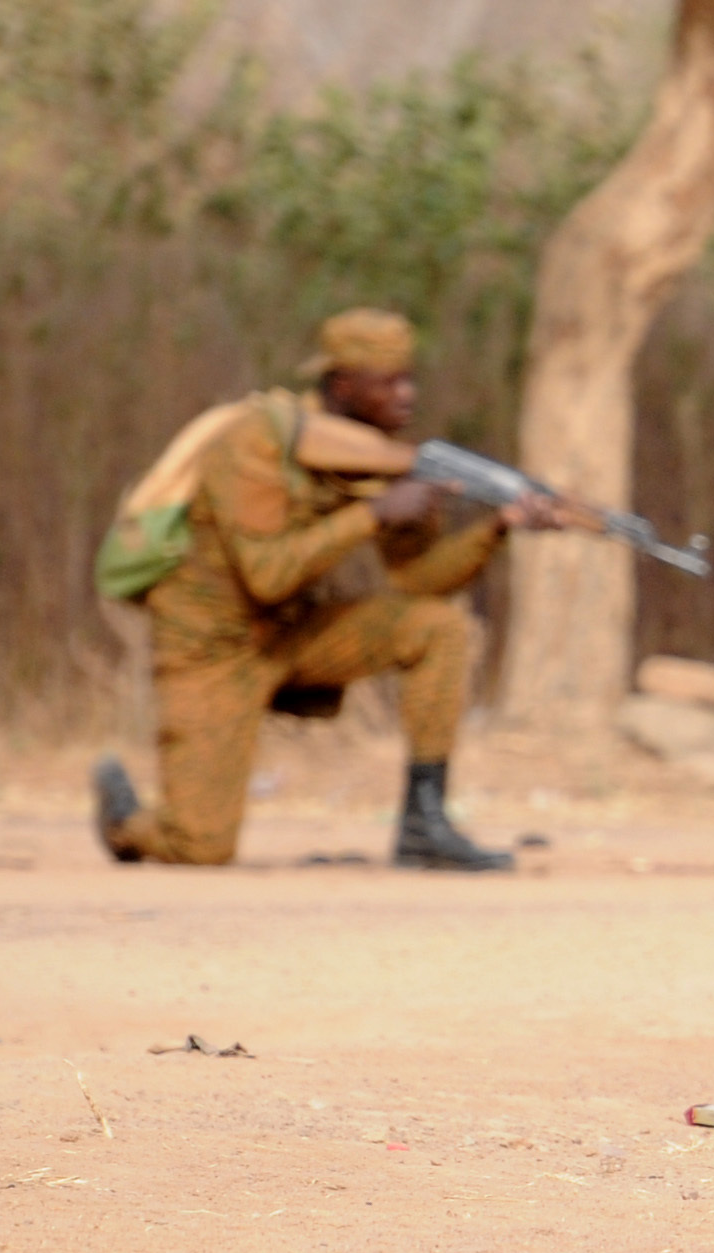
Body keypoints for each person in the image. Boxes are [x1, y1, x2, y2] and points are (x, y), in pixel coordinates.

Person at [92, 308, 546, 872]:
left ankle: (424, 825)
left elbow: (419, 580)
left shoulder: (379, 455)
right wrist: (374, 515)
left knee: (437, 626)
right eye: (389, 383)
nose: (407, 395)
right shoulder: (258, 440)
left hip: (292, 635)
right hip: (210, 649)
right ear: (342, 385)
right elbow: (267, 575)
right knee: (201, 848)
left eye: (409, 378)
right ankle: (125, 825)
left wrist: (498, 529)